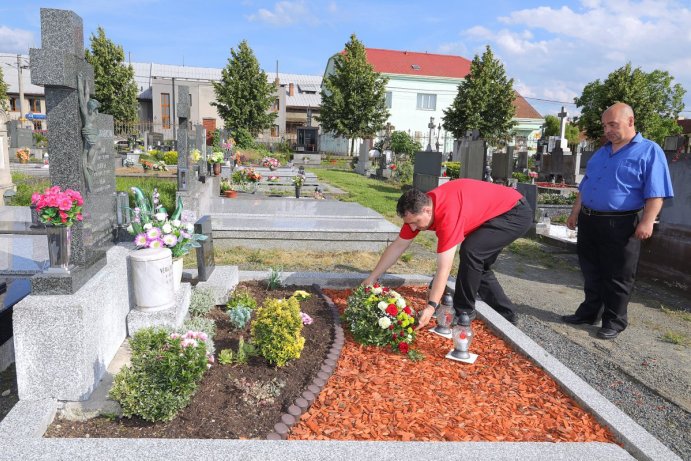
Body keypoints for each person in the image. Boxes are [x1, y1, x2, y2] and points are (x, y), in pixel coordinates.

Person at [563, 102, 674, 340]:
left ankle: (614, 320)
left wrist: (647, 221)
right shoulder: (602, 152)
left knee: (618, 275)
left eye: (613, 124)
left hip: (621, 224)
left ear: (630, 121)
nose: (607, 131)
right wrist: (575, 212)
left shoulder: (649, 151)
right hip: (590, 219)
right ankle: (588, 312)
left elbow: (656, 192)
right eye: (605, 126)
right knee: (590, 270)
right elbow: (586, 185)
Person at [363, 179, 533, 329]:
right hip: (498, 210)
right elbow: (397, 246)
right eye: (409, 224)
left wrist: (431, 306)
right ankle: (506, 314)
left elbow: (444, 269)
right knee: (478, 263)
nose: (413, 228)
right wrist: (372, 278)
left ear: (427, 210)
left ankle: (464, 311)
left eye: (415, 222)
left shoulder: (447, 215)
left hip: (514, 213)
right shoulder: (419, 209)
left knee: (472, 252)